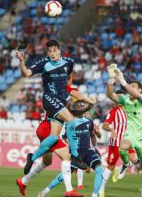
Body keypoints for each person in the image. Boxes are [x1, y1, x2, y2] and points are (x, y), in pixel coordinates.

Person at [16, 39, 91, 175]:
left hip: (61, 102)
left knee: (54, 137)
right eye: (49, 50)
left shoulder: (69, 62)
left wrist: (69, 95)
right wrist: (21, 61)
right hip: (49, 99)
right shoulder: (44, 63)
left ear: (59, 51)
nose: (52, 53)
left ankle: (31, 158)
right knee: (72, 121)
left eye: (54, 50)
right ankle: (75, 156)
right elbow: (26, 73)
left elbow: (68, 78)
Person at [16, 85, 93, 197]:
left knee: (47, 162)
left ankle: (23, 181)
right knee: (66, 156)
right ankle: (69, 190)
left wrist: (85, 107)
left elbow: (71, 113)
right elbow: (73, 108)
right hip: (48, 128)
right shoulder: (64, 90)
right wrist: (89, 103)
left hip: (44, 127)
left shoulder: (57, 93)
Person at [38, 100, 103, 197]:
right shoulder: (70, 122)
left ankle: (95, 194)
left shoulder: (89, 122)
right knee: (64, 175)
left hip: (88, 151)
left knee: (99, 168)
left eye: (82, 106)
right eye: (80, 106)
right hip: (76, 153)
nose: (82, 107)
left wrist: (96, 147)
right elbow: (64, 138)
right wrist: (72, 146)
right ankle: (45, 191)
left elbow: (93, 135)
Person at [106, 63, 142, 197]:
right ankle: (126, 165)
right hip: (131, 134)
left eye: (134, 87)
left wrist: (122, 80)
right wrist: (111, 79)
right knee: (123, 146)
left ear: (140, 91)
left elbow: (134, 94)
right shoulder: (126, 100)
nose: (130, 89)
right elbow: (110, 94)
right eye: (130, 86)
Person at [99, 90, 139, 197]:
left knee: (135, 160)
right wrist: (111, 129)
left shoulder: (129, 111)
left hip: (127, 141)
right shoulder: (113, 112)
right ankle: (101, 189)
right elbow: (104, 125)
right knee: (110, 166)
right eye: (118, 97)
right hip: (115, 143)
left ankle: (124, 166)